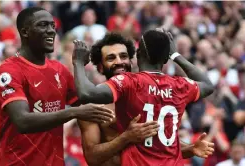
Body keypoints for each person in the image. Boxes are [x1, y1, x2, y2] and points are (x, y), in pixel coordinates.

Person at [72, 29, 214, 166]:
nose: (119, 62)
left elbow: (156, 145)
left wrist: (190, 149)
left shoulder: (133, 85)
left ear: (135, 58)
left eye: (123, 56)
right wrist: (125, 138)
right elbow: (92, 158)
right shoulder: (176, 85)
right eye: (111, 58)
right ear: (100, 67)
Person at [0, 7, 115, 166]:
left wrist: (78, 65)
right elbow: (22, 121)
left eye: (52, 26)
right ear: (25, 32)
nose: (51, 31)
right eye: (43, 25)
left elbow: (89, 103)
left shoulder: (59, 69)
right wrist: (73, 112)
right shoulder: (9, 71)